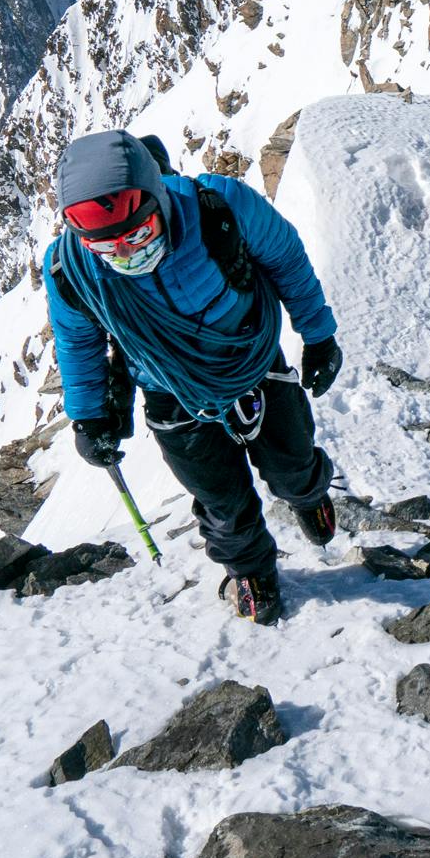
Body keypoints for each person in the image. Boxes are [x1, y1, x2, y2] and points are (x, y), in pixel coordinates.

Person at [44, 128, 342, 623]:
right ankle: (250, 571)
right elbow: (77, 340)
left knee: (292, 463)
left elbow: (285, 257)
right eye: (106, 246)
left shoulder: (217, 208)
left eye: (137, 235)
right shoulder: (70, 269)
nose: (124, 254)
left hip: (254, 364)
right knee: (220, 499)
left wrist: (319, 335)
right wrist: (87, 417)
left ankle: (307, 495)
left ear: (157, 196)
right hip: (170, 393)